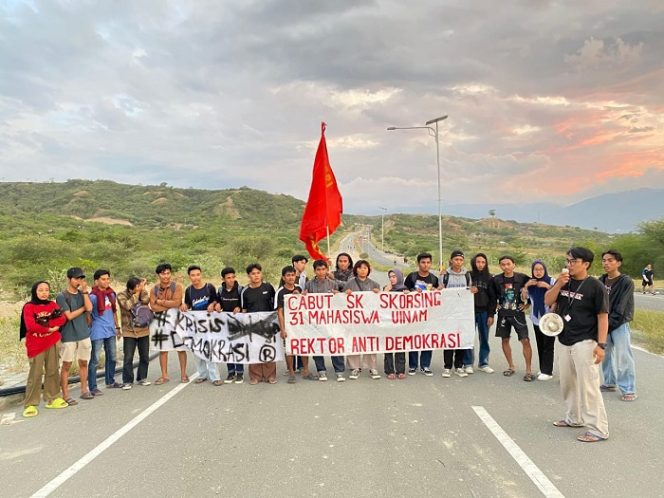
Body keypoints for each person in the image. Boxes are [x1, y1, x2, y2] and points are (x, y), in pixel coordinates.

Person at [545, 247, 609, 442]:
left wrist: (601, 345)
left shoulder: (595, 286)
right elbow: (548, 301)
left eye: (573, 261)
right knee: (568, 382)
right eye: (568, 261)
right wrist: (558, 285)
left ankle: (598, 428)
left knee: (588, 385)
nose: (569, 265)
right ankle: (574, 418)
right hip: (564, 338)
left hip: (585, 341)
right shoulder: (564, 282)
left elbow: (603, 317)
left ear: (586, 264)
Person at [21, 281, 69, 417]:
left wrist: (50, 325)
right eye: (41, 290)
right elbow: (31, 326)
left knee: (53, 371)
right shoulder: (29, 307)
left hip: (52, 342)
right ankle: (30, 404)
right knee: (35, 374)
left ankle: (52, 398)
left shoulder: (52, 305)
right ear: (35, 291)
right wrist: (49, 327)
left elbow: (62, 318)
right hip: (36, 344)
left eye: (46, 290)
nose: (44, 293)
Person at [599, 250, 637, 401]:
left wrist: (609, 324)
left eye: (610, 260)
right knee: (605, 354)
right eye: (604, 260)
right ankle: (609, 382)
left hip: (619, 323)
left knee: (624, 356)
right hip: (604, 323)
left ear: (618, 263)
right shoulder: (601, 280)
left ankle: (628, 389)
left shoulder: (626, 282)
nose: (606, 263)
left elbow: (621, 307)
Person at [491, 256, 534, 381]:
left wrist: (528, 304)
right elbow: (491, 294)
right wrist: (495, 304)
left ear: (514, 265)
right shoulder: (496, 279)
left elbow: (533, 289)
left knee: (525, 340)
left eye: (508, 264)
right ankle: (511, 366)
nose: (506, 267)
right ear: (500, 266)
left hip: (518, 314)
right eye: (503, 264)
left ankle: (529, 370)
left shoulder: (522, 278)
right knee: (505, 340)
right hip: (503, 314)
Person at [56, 267, 94, 403]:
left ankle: (84, 389)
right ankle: (65, 395)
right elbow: (69, 316)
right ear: (69, 279)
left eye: (81, 278)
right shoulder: (61, 296)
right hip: (69, 336)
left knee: (84, 362)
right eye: (76, 278)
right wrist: (84, 308)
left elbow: (90, 308)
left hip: (84, 333)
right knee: (66, 365)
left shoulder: (82, 294)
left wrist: (84, 292)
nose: (79, 281)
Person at [305, 259, 345, 382]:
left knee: (335, 343)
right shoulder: (309, 284)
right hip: (316, 321)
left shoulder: (333, 284)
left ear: (327, 270)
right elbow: (305, 302)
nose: (321, 272)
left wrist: (337, 295)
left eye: (323, 269)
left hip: (331, 320)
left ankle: (339, 370)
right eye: (318, 269)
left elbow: (339, 302)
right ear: (314, 271)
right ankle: (321, 370)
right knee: (317, 344)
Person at [182, 265, 221, 386]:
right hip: (196, 325)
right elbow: (189, 305)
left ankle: (215, 377)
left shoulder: (209, 287)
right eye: (193, 275)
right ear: (189, 276)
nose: (196, 277)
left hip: (209, 324)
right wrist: (184, 306)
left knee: (210, 350)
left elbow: (216, 300)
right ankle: (202, 374)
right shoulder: (189, 290)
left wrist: (213, 304)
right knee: (197, 350)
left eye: (198, 274)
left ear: (201, 274)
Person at [149, 263, 187, 384]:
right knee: (163, 349)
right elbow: (153, 307)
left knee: (181, 348)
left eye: (168, 273)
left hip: (175, 321)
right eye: (163, 273)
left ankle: (183, 374)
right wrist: (167, 304)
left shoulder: (178, 287)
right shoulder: (154, 289)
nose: (166, 276)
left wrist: (160, 301)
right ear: (158, 275)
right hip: (159, 322)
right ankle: (164, 375)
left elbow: (176, 303)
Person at [240, 263, 277, 385]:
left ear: (261, 274)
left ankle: (270, 375)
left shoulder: (268, 287)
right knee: (254, 349)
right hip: (252, 325)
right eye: (253, 274)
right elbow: (244, 310)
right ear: (248, 276)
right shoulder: (244, 291)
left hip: (268, 325)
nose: (256, 276)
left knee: (269, 349)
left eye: (258, 273)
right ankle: (255, 376)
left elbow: (275, 306)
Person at [344, 260, 381, 380]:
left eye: (365, 268)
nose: (363, 270)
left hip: (369, 319)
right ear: (356, 270)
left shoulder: (374, 284)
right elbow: (343, 302)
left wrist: (378, 293)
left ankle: (372, 366)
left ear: (368, 270)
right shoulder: (350, 283)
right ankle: (354, 367)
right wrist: (346, 294)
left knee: (370, 341)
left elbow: (381, 302)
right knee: (354, 341)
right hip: (354, 319)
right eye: (360, 268)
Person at [404, 252, 439, 376]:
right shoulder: (412, 277)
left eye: (428, 262)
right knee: (413, 339)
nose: (426, 265)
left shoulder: (434, 279)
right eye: (423, 262)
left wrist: (437, 291)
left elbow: (439, 295)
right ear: (418, 263)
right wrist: (411, 291)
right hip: (413, 315)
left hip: (428, 315)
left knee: (427, 339)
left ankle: (425, 365)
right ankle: (413, 366)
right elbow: (404, 291)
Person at [88, 269, 123, 395]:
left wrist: (117, 327)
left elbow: (114, 311)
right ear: (96, 281)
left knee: (112, 356)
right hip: (98, 330)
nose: (106, 281)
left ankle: (110, 381)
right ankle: (92, 387)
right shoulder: (92, 297)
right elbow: (88, 314)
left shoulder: (111, 294)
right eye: (103, 279)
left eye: (108, 279)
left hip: (110, 329)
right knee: (95, 360)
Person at [440, 250, 472, 378]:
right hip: (449, 313)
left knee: (461, 339)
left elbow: (470, 291)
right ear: (451, 260)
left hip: (463, 313)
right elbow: (440, 291)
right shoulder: (444, 275)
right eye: (456, 259)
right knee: (449, 340)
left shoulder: (467, 275)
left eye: (460, 260)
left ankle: (459, 366)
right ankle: (447, 367)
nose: (458, 262)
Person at [523, 260, 556, 381]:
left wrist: (547, 286)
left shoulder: (552, 281)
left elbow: (557, 296)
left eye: (541, 269)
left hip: (549, 318)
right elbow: (524, 298)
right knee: (540, 344)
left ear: (545, 270)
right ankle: (543, 369)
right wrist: (526, 286)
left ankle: (548, 371)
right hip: (536, 318)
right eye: (536, 270)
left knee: (548, 344)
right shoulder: (530, 283)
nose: (538, 272)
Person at [117, 277, 152, 389]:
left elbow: (146, 300)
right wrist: (136, 294)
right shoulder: (121, 295)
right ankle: (127, 380)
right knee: (128, 357)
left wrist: (141, 290)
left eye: (140, 285)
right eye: (137, 286)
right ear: (131, 288)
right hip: (129, 330)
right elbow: (127, 305)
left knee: (145, 356)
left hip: (143, 329)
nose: (139, 288)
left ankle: (142, 377)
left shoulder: (143, 292)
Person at [466, 253, 495, 373]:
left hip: (484, 312)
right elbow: (459, 290)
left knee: (484, 338)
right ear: (474, 262)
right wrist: (468, 289)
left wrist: (491, 315)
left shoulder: (490, 278)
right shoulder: (468, 275)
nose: (480, 264)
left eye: (483, 262)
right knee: (468, 338)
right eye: (478, 262)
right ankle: (468, 363)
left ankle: (483, 363)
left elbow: (493, 298)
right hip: (469, 312)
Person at [215, 267, 244, 384]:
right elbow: (218, 303)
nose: (231, 280)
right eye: (228, 278)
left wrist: (240, 308)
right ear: (223, 279)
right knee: (227, 348)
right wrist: (217, 305)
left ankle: (240, 373)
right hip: (225, 323)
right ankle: (231, 372)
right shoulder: (221, 290)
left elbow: (245, 304)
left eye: (233, 277)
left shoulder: (241, 289)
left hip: (238, 323)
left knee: (238, 348)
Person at [275, 265, 303, 384]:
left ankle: (305, 369)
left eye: (293, 275)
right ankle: (291, 371)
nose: (291, 277)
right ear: (283, 277)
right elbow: (279, 312)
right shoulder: (280, 292)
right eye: (288, 275)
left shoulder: (299, 288)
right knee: (289, 349)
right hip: (287, 325)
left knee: (302, 347)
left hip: (300, 324)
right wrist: (282, 329)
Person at [383, 269, 407, 379]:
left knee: (400, 347)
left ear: (399, 277)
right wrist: (386, 291)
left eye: (394, 276)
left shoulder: (404, 289)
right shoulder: (386, 289)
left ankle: (400, 370)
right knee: (388, 348)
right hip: (388, 323)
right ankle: (389, 371)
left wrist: (409, 295)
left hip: (400, 323)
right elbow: (379, 303)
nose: (392, 279)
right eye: (390, 277)